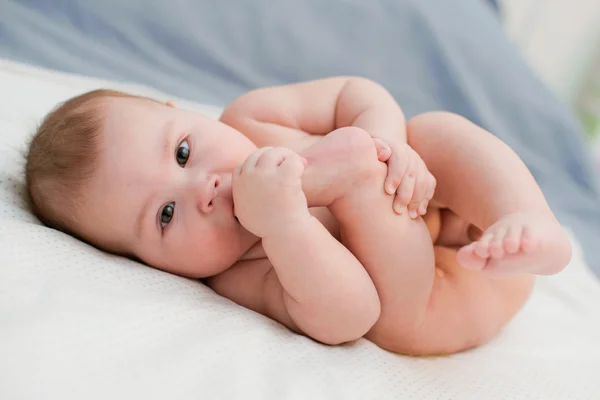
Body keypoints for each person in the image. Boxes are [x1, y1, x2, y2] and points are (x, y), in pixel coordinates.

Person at [25, 77, 571, 355]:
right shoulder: (239, 272)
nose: (205, 190)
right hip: (455, 285)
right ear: (148, 263)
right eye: (166, 215)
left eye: (184, 152)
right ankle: (355, 174)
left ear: (181, 112)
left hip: (440, 204)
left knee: (435, 131)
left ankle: (527, 218)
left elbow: (356, 92)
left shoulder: (253, 116)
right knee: (390, 323)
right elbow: (352, 315)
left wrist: (388, 143)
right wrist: (284, 223)